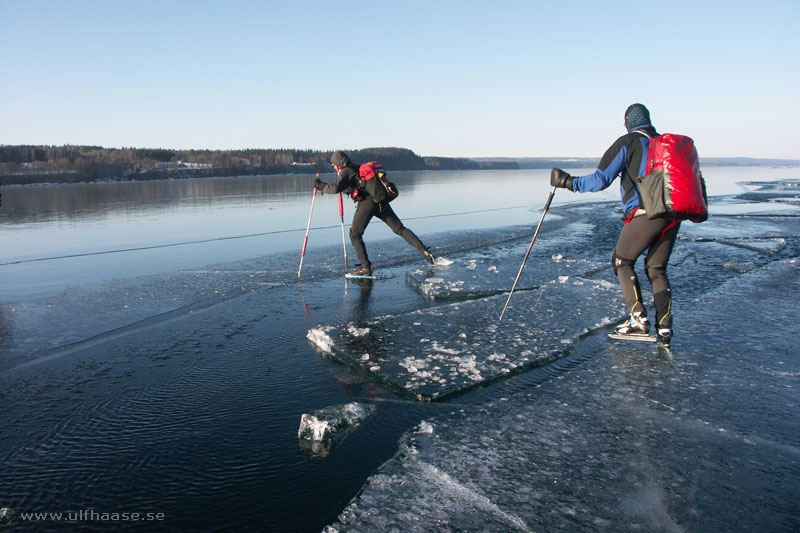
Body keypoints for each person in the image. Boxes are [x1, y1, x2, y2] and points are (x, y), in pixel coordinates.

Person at [550, 103, 679, 347]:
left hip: (645, 213)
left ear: (628, 121)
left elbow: (601, 180)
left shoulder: (628, 142)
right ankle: (664, 328)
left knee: (622, 261)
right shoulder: (665, 145)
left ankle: (638, 320)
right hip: (672, 214)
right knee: (656, 268)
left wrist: (568, 182)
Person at [314, 151, 435, 276]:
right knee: (400, 229)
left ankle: (365, 267)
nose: (333, 167)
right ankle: (425, 251)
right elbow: (353, 185)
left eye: (334, 164)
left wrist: (320, 186)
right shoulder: (355, 168)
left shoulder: (345, 171)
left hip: (368, 203)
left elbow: (334, 188)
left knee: (355, 234)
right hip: (381, 200)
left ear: (339, 163)